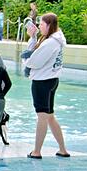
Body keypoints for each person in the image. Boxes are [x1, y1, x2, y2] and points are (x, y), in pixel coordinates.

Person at [23, 12, 70, 159]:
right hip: (52, 80)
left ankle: (37, 151)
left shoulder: (50, 43)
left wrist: (26, 59)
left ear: (49, 25)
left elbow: (33, 61)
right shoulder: (56, 39)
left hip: (42, 81)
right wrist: (33, 38)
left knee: (42, 116)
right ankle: (63, 149)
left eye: (42, 24)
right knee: (50, 116)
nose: (39, 27)